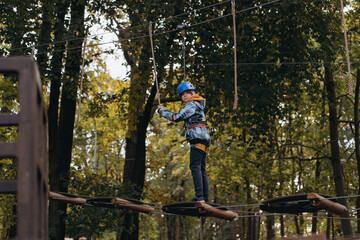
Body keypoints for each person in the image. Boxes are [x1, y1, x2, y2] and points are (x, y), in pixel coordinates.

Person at [157, 82, 211, 202]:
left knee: (195, 166)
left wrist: (162, 111)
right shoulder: (198, 104)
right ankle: (204, 197)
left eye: (187, 93)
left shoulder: (191, 105)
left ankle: (200, 197)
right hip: (203, 137)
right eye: (182, 95)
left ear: (193, 93)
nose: (185, 96)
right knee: (201, 167)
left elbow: (176, 117)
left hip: (197, 137)